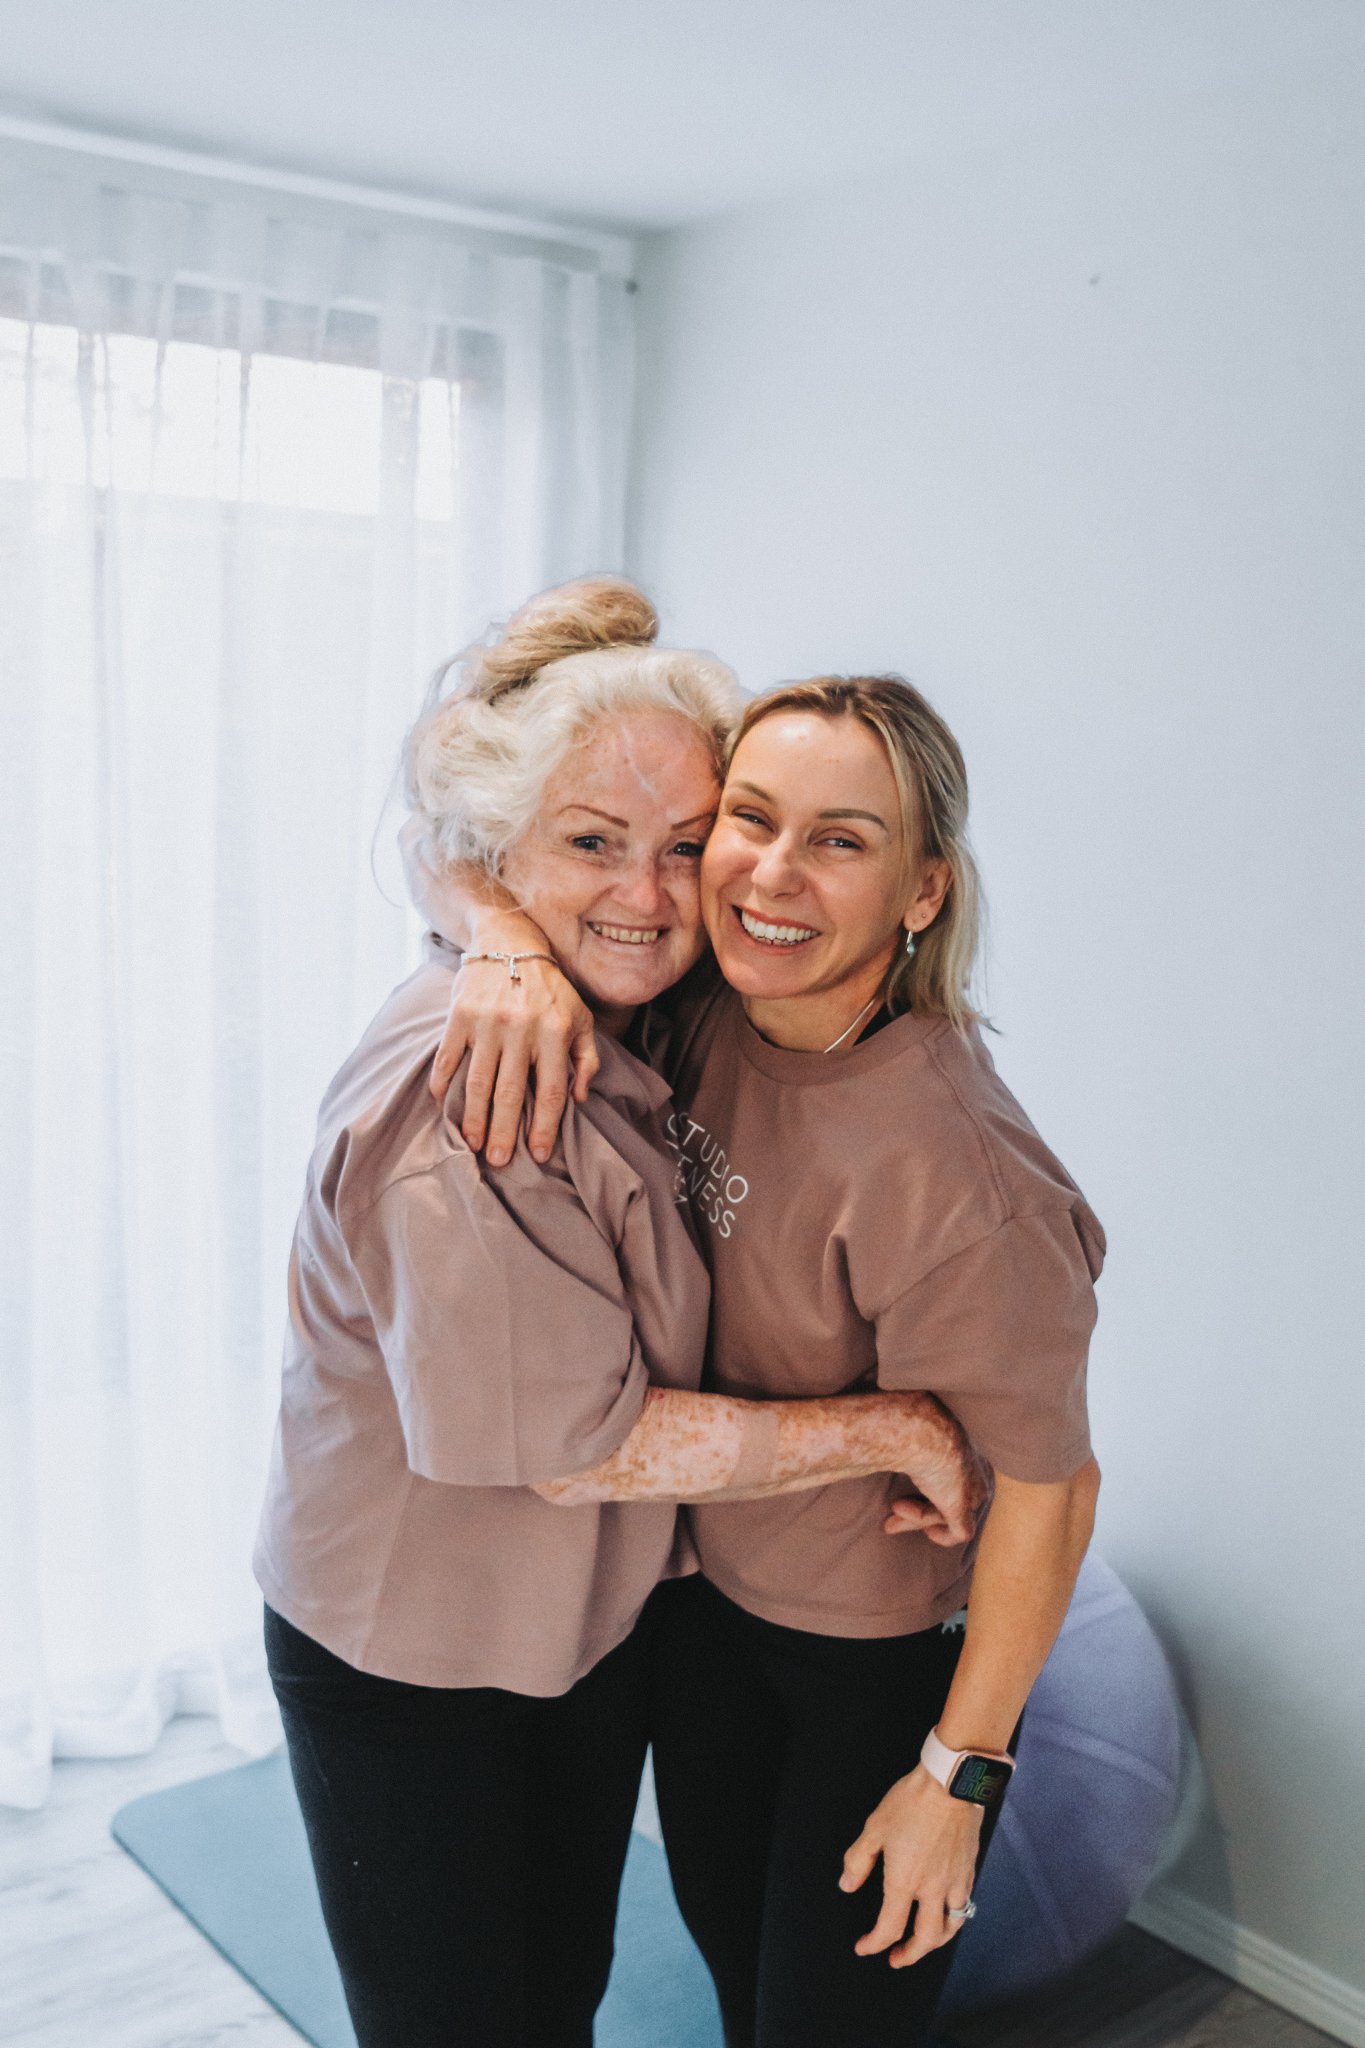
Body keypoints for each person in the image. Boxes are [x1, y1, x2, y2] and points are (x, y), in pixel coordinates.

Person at [255, 581, 988, 2048]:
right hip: (425, 1653)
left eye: (678, 844)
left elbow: (435, 829)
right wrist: (889, 1427)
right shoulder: (468, 1104)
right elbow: (582, 1447)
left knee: (558, 1995)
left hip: (582, 1628)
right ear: (504, 848)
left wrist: (507, 928)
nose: (651, 897)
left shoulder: (626, 987)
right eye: (591, 845)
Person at [419, 658, 1105, 2048]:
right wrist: (494, 932)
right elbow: (454, 822)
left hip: (875, 1667)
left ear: (922, 890)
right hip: (700, 1613)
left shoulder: (965, 1178)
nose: (771, 875)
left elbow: (1051, 1484)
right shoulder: (697, 1006)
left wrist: (954, 1780)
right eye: (749, 816)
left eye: (840, 841)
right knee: (736, 1971)